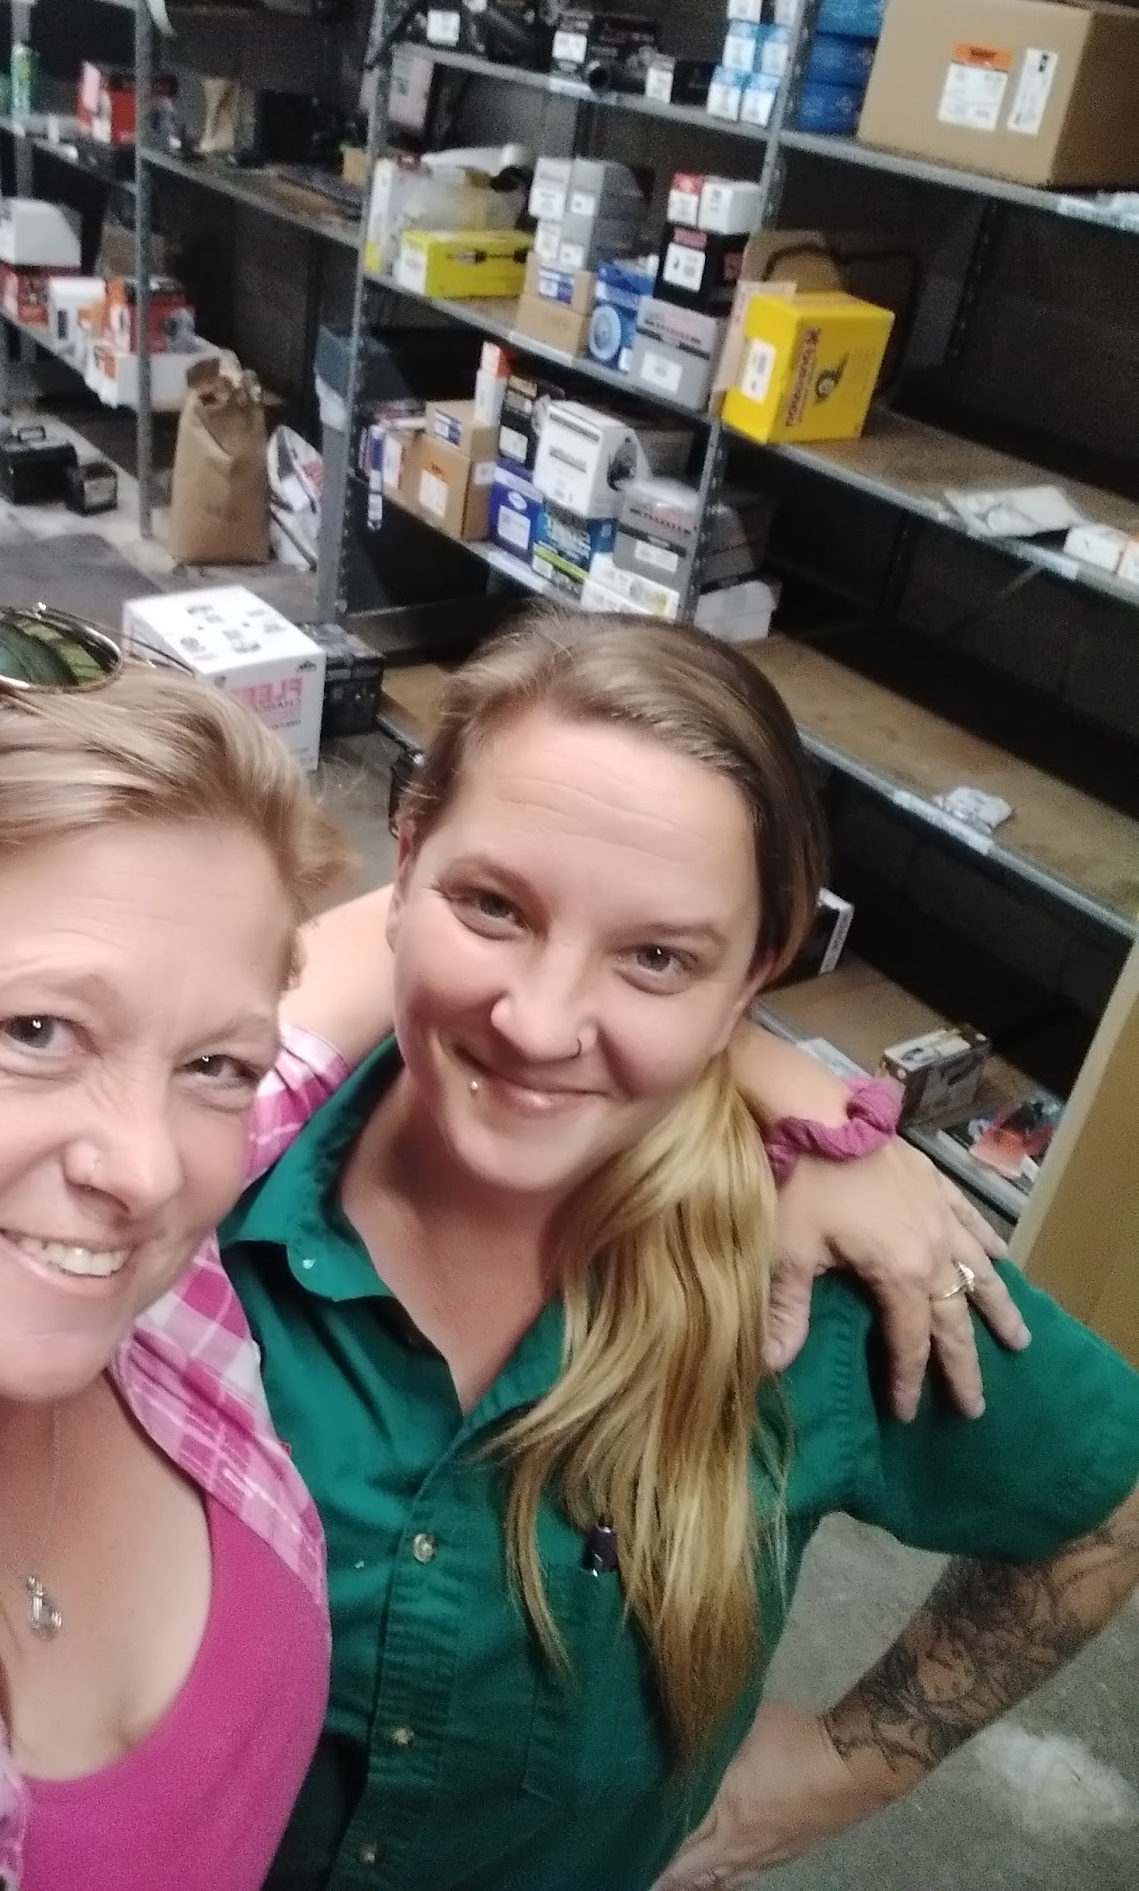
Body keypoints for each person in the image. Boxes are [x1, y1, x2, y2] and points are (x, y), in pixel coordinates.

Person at [0, 602, 1047, 1889]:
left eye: (214, 1059)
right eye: (34, 1029)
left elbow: (529, 896)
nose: (142, 1172)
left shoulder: (183, 1256)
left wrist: (795, 1091)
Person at [217, 608, 1139, 1891]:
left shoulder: (820, 1282)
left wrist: (839, 1766)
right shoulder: (199, 1182)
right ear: (407, 858)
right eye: (493, 904)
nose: (540, 1022)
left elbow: (1108, 1501)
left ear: (751, 976)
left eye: (656, 957)